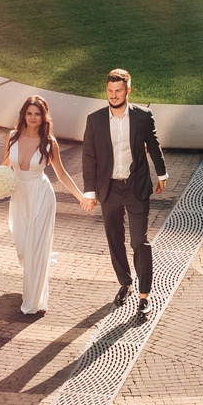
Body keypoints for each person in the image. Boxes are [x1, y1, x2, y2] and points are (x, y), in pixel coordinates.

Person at [78, 67, 166, 320]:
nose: (113, 95)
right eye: (110, 90)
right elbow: (89, 156)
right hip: (109, 189)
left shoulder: (142, 116)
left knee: (139, 241)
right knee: (114, 239)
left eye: (118, 90)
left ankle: (144, 296)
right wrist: (89, 191)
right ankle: (125, 283)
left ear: (128, 90)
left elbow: (153, 144)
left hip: (136, 186)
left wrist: (162, 174)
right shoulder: (95, 120)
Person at [3, 94, 87, 317]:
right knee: (23, 249)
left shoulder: (49, 143)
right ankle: (35, 271)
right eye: (29, 113)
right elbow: (4, 167)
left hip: (41, 196)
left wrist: (80, 197)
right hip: (19, 197)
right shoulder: (12, 137)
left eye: (37, 114)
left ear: (43, 117)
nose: (33, 118)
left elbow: (62, 174)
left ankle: (33, 301)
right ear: (24, 115)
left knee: (35, 250)